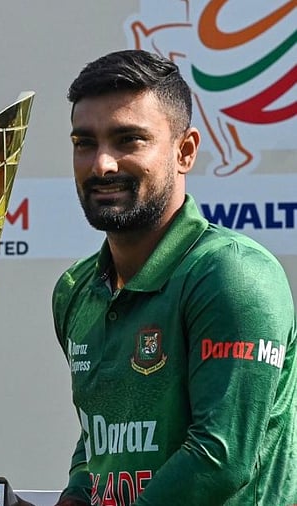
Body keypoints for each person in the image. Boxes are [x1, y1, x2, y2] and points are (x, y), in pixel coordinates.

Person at [51, 49, 297, 505]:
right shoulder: (77, 290)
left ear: (184, 152)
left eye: (129, 140)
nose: (102, 164)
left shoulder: (232, 274)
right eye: (85, 142)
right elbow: (99, 446)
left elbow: (219, 459)